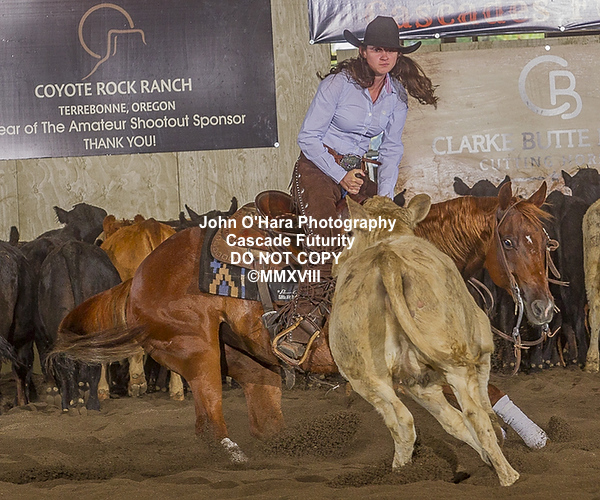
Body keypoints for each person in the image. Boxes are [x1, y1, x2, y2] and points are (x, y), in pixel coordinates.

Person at [270, 16, 438, 364]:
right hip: (318, 167)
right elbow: (308, 138)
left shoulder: (396, 95)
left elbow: (391, 149)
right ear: (363, 52)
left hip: (357, 171)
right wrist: (340, 175)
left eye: (390, 50)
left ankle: (397, 311)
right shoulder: (338, 84)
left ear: (398, 54)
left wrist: (385, 200)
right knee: (325, 231)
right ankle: (304, 321)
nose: (384, 56)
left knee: (391, 228)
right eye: (377, 49)